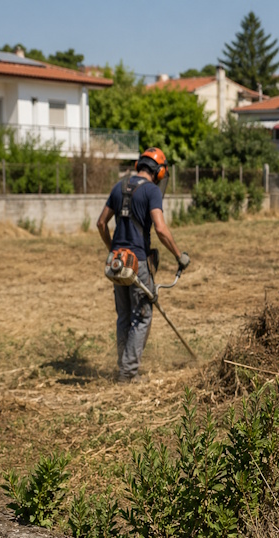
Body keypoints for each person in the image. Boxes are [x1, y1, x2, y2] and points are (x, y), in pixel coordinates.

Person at [97, 147, 190, 382]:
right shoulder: (151, 191)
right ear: (160, 172)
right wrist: (179, 255)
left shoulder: (118, 187)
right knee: (142, 316)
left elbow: (101, 223)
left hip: (118, 262)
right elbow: (160, 228)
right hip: (137, 261)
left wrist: (113, 250)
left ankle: (123, 367)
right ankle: (128, 373)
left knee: (124, 316)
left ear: (139, 165)